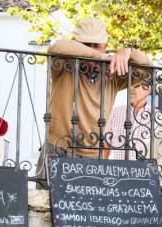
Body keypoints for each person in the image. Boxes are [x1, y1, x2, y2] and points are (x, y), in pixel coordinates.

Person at [41, 18, 151, 165]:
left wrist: (128, 52)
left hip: (93, 155)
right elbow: (55, 46)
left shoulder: (113, 74)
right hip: (59, 147)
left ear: (105, 46)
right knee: (48, 189)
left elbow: (148, 71)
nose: (91, 48)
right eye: (86, 44)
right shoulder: (63, 65)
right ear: (75, 42)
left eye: (96, 45)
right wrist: (97, 55)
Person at [107, 83, 152, 160]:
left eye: (136, 86)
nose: (131, 89)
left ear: (148, 89)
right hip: (118, 169)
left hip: (144, 170)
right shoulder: (115, 112)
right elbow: (105, 146)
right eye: (129, 85)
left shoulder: (157, 116)